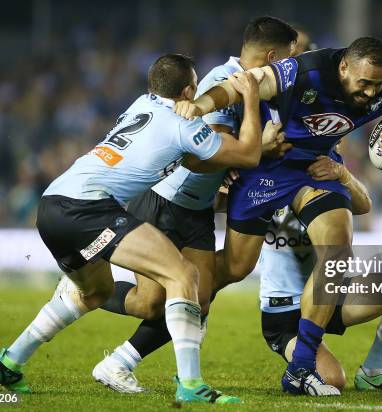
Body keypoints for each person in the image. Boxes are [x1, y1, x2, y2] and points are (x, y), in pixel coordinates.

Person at [0, 54, 263, 404]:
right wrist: (250, 98)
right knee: (182, 275)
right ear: (190, 90)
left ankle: (9, 362)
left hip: (52, 203)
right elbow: (249, 155)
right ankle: (191, 384)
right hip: (90, 207)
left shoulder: (140, 104)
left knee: (96, 293)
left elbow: (187, 158)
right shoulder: (182, 125)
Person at [174, 36, 382, 396]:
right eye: (364, 84)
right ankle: (168, 314)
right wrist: (199, 106)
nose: (373, 93)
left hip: (316, 168)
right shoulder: (306, 71)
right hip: (269, 169)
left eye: (378, 84)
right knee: (234, 267)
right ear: (343, 67)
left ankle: (301, 368)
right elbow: (245, 85)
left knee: (339, 254)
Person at [82, 16, 297, 393]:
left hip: (196, 208)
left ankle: (125, 364)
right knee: (149, 304)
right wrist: (255, 151)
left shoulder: (257, 89)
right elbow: (202, 156)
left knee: (199, 297)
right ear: (273, 56)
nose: (290, 69)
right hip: (165, 199)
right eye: (289, 59)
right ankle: (82, 293)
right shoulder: (221, 84)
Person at [258, 157, 382, 392]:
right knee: (332, 379)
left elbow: (364, 204)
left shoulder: (325, 176)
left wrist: (342, 173)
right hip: (285, 312)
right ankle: (303, 361)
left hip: (328, 294)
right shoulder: (266, 178)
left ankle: (373, 372)